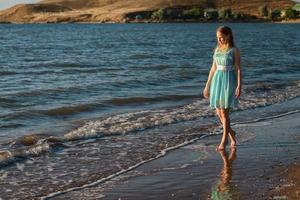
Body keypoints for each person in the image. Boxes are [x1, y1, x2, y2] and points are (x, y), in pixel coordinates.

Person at [203, 26, 242, 151]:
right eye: (217, 37)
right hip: (217, 81)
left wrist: (239, 85)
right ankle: (232, 133)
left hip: (229, 80)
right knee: (219, 112)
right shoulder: (217, 49)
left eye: (221, 37)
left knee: (224, 112)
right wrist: (207, 85)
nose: (219, 39)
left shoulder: (234, 50)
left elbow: (238, 69)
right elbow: (213, 68)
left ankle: (224, 139)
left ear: (228, 36)